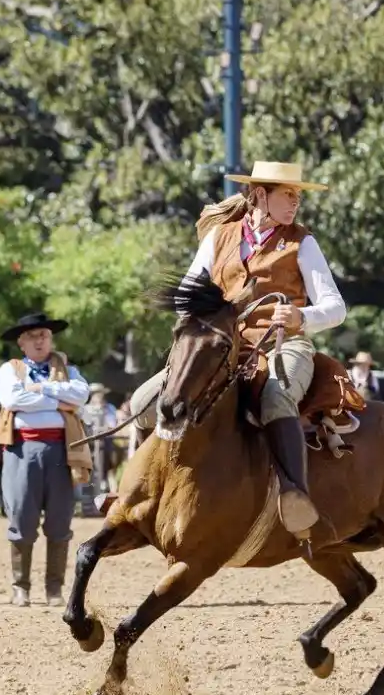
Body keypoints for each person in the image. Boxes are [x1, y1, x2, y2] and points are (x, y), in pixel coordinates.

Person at [130, 160, 348, 544]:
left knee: (277, 398)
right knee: (142, 402)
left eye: (298, 195)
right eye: (288, 194)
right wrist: (202, 326)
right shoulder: (220, 237)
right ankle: (136, 490)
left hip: (286, 344)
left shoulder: (303, 241)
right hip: (221, 347)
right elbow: (186, 295)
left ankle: (294, 493)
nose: (296, 202)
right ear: (260, 195)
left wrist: (301, 316)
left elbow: (336, 308)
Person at [0, 312, 92, 607]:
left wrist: (43, 388)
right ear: (21, 343)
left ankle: (54, 588)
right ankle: (20, 587)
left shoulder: (68, 369)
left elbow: (82, 394)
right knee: (22, 517)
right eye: (33, 336)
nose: (40, 340)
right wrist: (59, 401)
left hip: (62, 451)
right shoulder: (11, 370)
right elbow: (12, 400)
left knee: (60, 519)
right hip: (22, 450)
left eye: (45, 335)